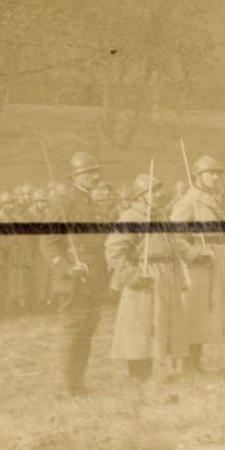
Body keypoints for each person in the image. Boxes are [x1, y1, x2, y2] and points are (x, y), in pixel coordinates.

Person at [105, 172, 192, 382]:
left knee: (161, 324)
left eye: (159, 189)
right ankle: (137, 375)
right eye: (153, 191)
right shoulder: (131, 217)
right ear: (140, 195)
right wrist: (132, 276)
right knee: (140, 327)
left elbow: (172, 245)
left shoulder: (161, 215)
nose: (158, 194)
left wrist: (181, 273)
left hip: (165, 276)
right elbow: (113, 250)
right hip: (143, 279)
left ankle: (160, 372)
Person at [41, 151, 113, 396]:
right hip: (73, 277)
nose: (95, 176)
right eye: (89, 173)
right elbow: (49, 241)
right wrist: (67, 267)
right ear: (76, 176)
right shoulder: (63, 201)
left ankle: (78, 384)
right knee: (73, 329)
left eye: (96, 171)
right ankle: (67, 386)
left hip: (93, 275)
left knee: (87, 328)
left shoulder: (90, 202)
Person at [169, 155, 225, 373]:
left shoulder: (214, 198)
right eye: (211, 173)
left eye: (218, 173)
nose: (216, 177)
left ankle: (196, 363)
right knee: (194, 310)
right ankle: (189, 364)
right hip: (199, 260)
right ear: (197, 176)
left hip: (216, 256)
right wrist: (192, 253)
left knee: (210, 310)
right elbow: (172, 233)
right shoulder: (190, 201)